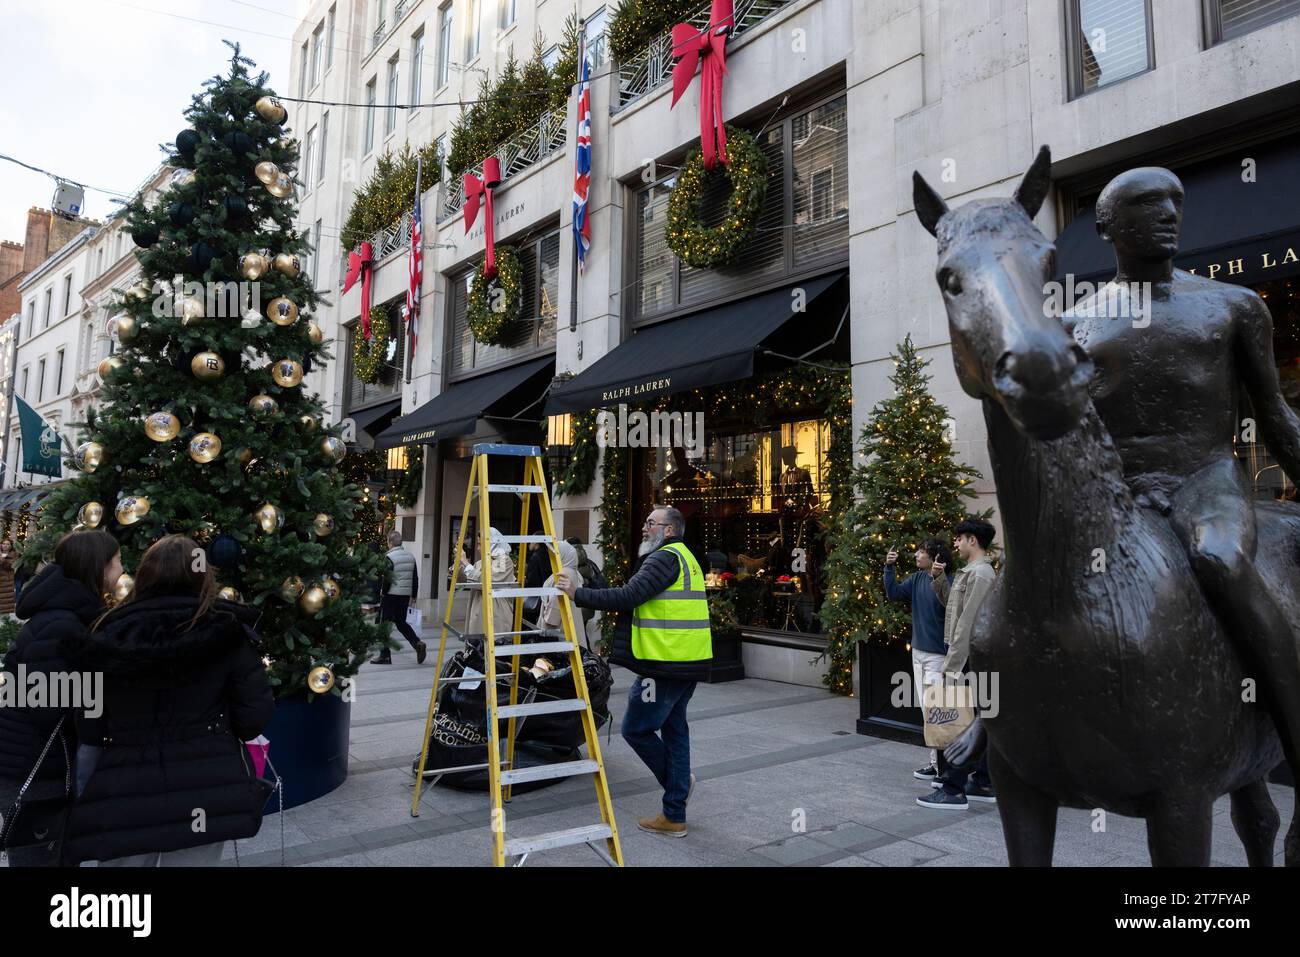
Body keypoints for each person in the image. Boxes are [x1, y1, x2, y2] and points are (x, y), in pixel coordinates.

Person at [1065, 166, 1300, 790]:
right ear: (1107, 225)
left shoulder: (1233, 305)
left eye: (1176, 201)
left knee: (1220, 559)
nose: (1169, 212)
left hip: (1205, 482)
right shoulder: (1077, 323)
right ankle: (1008, 727)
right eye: (1148, 203)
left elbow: (1274, 414)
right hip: (1117, 494)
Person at [60, 534, 275, 866]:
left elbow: (90, 726)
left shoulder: (106, 633)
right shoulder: (226, 633)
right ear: (201, 576)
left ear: (144, 575)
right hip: (206, 786)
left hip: (126, 787)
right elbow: (253, 717)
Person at [555, 506, 711, 838]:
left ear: (669, 530)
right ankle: (674, 815)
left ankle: (677, 789)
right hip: (686, 661)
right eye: (644, 521)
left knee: (636, 729)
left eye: (651, 523)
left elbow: (628, 596)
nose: (643, 528)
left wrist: (576, 593)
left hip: (664, 664)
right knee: (675, 731)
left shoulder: (664, 558)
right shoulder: (687, 557)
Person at [0, 531, 121, 866]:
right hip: (35, 769)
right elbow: (44, 705)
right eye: (117, 561)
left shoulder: (67, 613)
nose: (121, 570)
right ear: (98, 568)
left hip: (38, 762)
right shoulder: (62, 623)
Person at [917, 519, 997, 811]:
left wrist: (951, 665)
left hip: (971, 658)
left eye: (960, 539)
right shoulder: (972, 572)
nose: (956, 544)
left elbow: (967, 623)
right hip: (972, 656)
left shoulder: (981, 574)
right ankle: (983, 782)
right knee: (980, 720)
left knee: (962, 722)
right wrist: (939, 580)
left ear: (972, 541)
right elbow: (955, 607)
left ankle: (953, 789)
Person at [883, 537, 953, 783]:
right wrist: (889, 567)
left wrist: (939, 579)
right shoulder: (916, 579)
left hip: (937, 655)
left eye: (921, 552)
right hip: (919, 653)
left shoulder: (947, 581)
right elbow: (893, 593)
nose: (916, 555)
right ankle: (936, 764)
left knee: (938, 710)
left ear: (934, 556)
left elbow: (951, 609)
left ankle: (945, 768)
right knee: (927, 710)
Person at [371, 530, 427, 665]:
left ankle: (385, 655)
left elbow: (387, 579)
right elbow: (415, 578)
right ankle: (416, 643)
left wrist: (382, 593)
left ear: (390, 542)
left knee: (382, 625)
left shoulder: (388, 558)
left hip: (390, 595)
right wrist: (413, 595)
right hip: (404, 596)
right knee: (401, 623)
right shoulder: (410, 557)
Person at [457, 527, 518, 638]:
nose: (478, 548)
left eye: (481, 544)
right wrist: (458, 563)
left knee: (492, 650)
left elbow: (487, 581)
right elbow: (463, 579)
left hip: (495, 615)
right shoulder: (481, 562)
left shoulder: (504, 560)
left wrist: (466, 563)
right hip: (478, 613)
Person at [539, 541, 584, 633]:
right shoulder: (572, 571)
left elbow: (555, 609)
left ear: (563, 554)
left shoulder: (564, 573)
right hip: (567, 626)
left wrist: (545, 623)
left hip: (560, 631)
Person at [0, 539, 17, 616]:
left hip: (6, 583)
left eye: (7, 544)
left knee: (5, 605)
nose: (5, 545)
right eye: (3, 543)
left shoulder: (14, 555)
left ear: (11, 546)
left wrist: (3, 560)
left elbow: (11, 566)